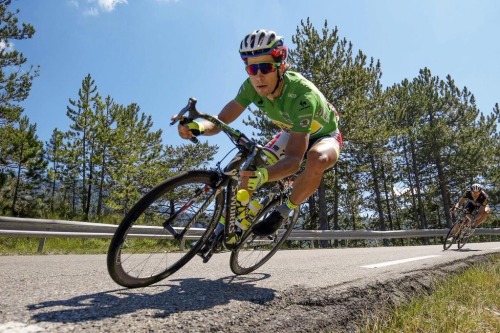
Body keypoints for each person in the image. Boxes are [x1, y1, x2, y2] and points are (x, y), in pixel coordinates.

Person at [176, 29, 342, 237]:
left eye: (265, 67)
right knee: (252, 167)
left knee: (317, 158)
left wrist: (264, 176)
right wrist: (197, 128)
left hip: (324, 136)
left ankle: (284, 210)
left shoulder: (302, 96)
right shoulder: (250, 88)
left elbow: (294, 160)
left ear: (281, 66)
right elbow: (220, 122)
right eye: (252, 69)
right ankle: (228, 226)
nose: (259, 76)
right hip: (291, 132)